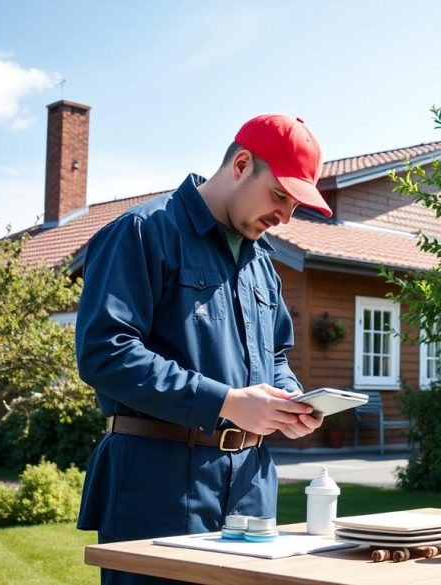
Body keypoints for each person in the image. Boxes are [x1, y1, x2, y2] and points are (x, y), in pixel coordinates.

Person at [75, 114, 329, 585]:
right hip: (158, 487)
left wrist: (290, 401)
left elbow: (275, 356)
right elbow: (104, 352)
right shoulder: (143, 232)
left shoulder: (262, 266)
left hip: (251, 489)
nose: (285, 217)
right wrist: (226, 403)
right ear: (241, 163)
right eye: (280, 196)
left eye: (296, 205)